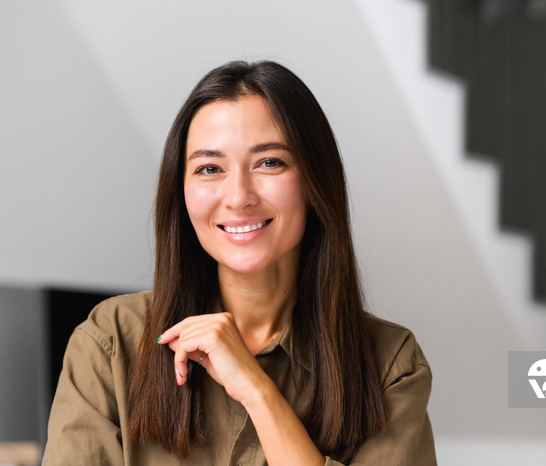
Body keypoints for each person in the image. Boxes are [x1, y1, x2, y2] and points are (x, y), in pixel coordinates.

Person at [43, 60, 436, 465]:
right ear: (182, 194)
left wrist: (256, 389)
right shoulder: (109, 343)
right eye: (209, 168)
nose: (238, 197)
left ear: (315, 181)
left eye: (269, 163)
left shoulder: (391, 365)